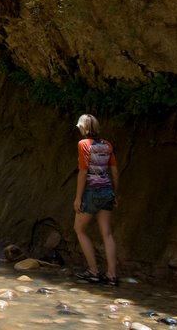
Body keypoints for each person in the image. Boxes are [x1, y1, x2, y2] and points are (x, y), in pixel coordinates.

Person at [73, 114, 120, 286]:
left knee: (79, 229)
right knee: (106, 233)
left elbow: (83, 172)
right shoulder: (107, 145)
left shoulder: (83, 144)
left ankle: (93, 271)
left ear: (83, 128)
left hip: (92, 192)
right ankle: (112, 275)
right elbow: (114, 171)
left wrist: (78, 198)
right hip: (107, 191)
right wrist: (114, 193)